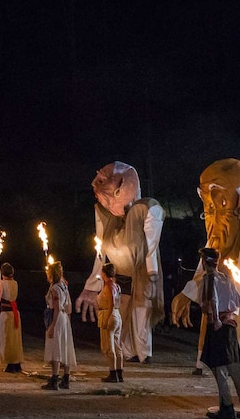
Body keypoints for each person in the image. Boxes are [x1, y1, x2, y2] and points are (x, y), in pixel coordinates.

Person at [172, 159, 240, 375]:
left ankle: (228, 373)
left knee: (230, 342)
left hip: (232, 295)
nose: (213, 215)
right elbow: (211, 249)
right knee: (211, 328)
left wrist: (237, 300)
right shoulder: (217, 228)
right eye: (209, 207)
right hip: (218, 293)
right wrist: (190, 292)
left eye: (221, 203)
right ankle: (206, 364)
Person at [76, 162, 164, 364]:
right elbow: (100, 251)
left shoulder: (146, 209)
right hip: (121, 274)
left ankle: (143, 353)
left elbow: (151, 244)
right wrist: (93, 285)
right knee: (123, 312)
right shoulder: (105, 215)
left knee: (140, 314)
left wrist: (152, 271)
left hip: (141, 273)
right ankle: (126, 352)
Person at [198, 247, 240, 419]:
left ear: (204, 261)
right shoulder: (227, 278)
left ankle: (227, 408)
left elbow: (212, 299)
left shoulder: (209, 279)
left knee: (219, 369)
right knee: (234, 367)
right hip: (230, 325)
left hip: (219, 325)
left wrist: (215, 319)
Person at [42, 261, 77, 390]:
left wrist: (52, 326)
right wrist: (68, 319)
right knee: (65, 346)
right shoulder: (64, 286)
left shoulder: (56, 288)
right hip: (64, 318)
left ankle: (54, 379)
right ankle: (66, 378)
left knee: (56, 348)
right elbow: (68, 304)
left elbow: (56, 308)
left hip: (57, 318)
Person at [0, 262, 23, 373]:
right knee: (16, 339)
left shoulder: (2, 283)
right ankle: (17, 363)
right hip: (15, 313)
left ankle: (10, 363)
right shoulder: (15, 283)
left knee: (7, 339)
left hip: (6, 314)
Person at [98, 262, 124, 383]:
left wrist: (106, 319)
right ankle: (120, 373)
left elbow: (111, 302)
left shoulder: (109, 286)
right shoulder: (116, 286)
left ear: (104, 273)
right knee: (117, 345)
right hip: (117, 315)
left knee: (110, 346)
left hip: (110, 315)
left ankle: (113, 373)